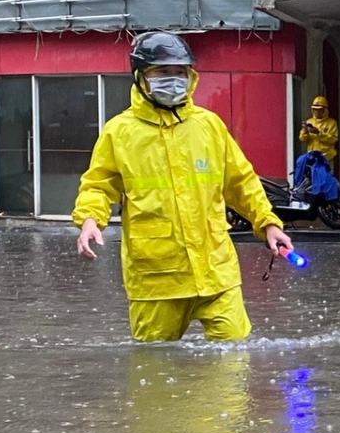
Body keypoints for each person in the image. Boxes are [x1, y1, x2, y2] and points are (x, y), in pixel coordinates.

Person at [74, 31, 291, 342]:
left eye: (180, 72)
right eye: (163, 72)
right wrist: (90, 220)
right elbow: (98, 185)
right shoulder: (119, 132)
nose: (173, 79)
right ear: (140, 77)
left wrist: (268, 223)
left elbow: (241, 181)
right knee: (156, 370)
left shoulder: (209, 126)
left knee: (233, 360)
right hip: (157, 278)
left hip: (217, 271)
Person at [298, 95, 340, 175]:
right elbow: (302, 139)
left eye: (319, 110)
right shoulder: (309, 121)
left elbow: (333, 139)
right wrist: (305, 131)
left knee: (326, 180)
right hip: (312, 157)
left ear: (325, 110)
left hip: (327, 157)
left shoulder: (331, 123)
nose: (317, 112)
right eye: (314, 110)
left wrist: (319, 133)